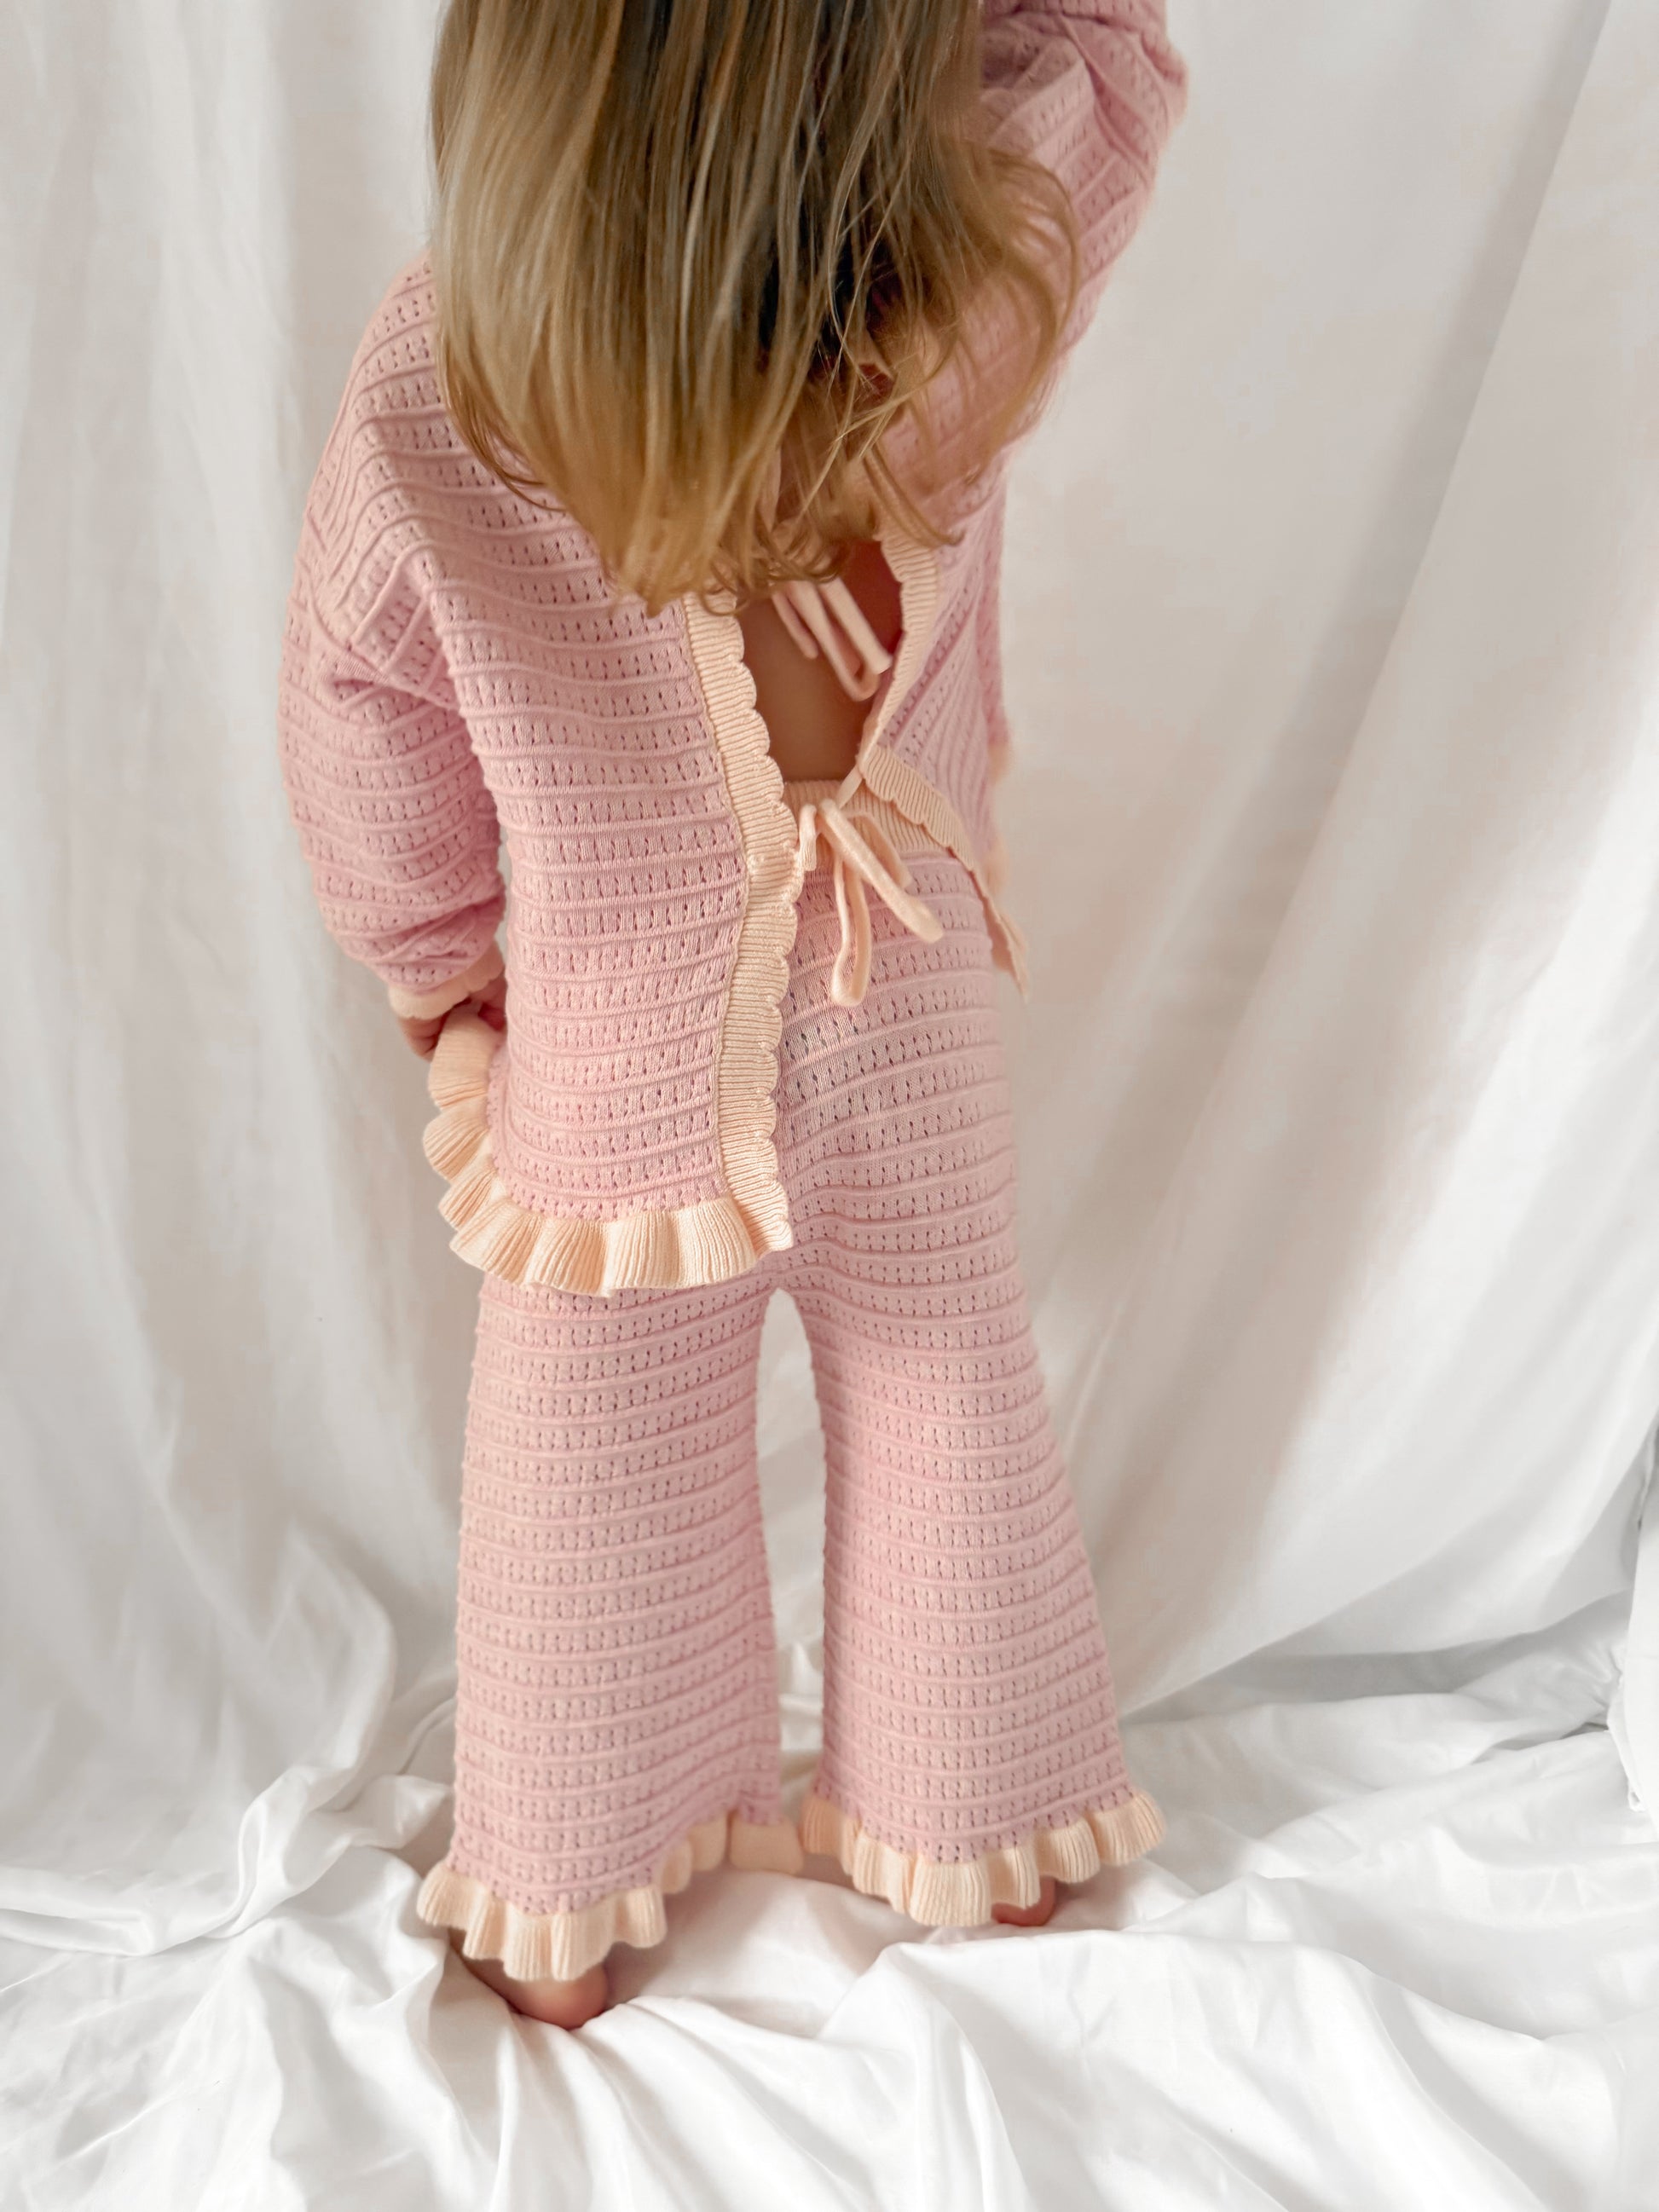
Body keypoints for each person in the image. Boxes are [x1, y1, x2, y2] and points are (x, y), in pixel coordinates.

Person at [278, 0, 1188, 2030]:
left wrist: (447, 968)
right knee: (945, 1391)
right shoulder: (970, 275)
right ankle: (987, 1824)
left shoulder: (451, 376)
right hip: (900, 996)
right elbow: (1115, 53)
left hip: (617, 1020)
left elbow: (353, 701)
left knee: (584, 1455)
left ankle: (565, 1898)